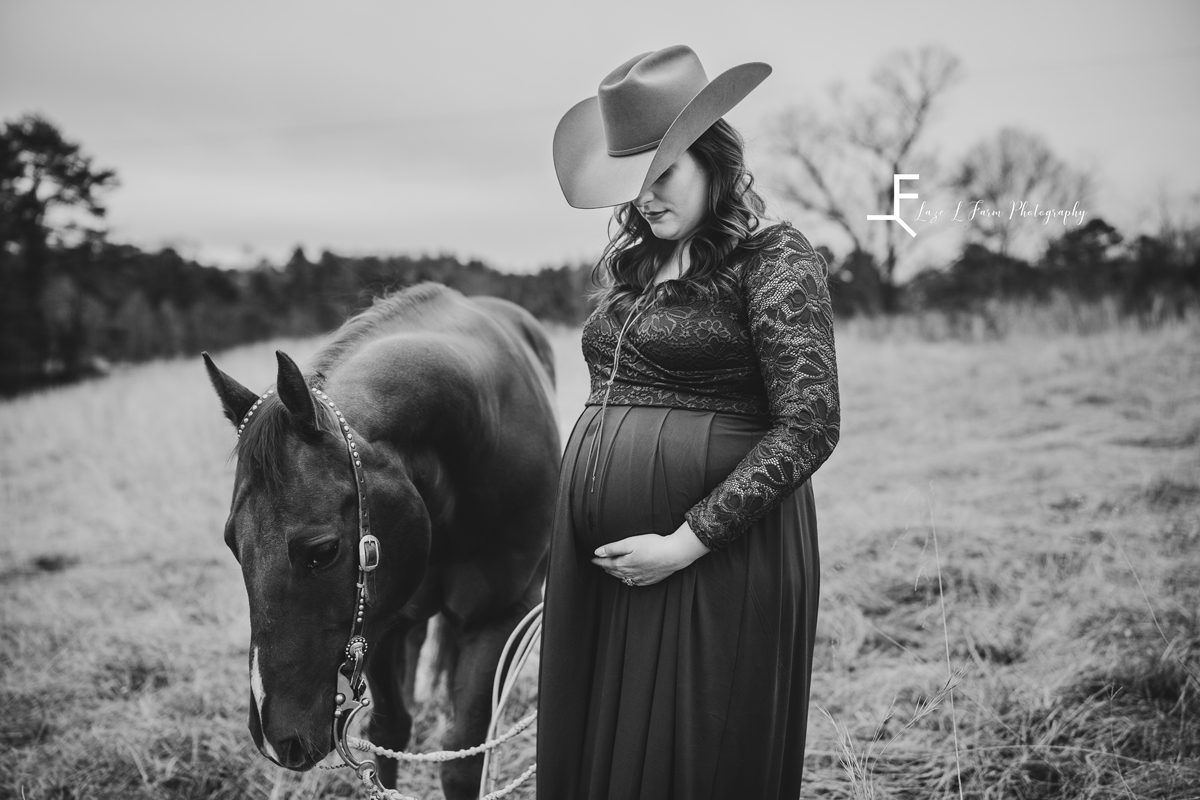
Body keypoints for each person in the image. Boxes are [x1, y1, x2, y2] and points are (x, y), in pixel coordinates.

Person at [537, 44, 841, 800]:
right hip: (606, 569)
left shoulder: (772, 257)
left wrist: (684, 542)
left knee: (689, 763)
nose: (643, 199)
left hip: (714, 560)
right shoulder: (635, 268)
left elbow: (810, 423)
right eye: (630, 181)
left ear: (714, 161)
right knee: (599, 761)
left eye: (661, 174)